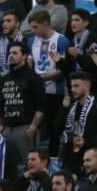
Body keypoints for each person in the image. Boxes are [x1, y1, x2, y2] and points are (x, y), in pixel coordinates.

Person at [25, 10, 68, 150]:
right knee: (38, 125)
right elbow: (29, 65)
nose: (33, 30)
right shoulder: (32, 41)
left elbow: (65, 68)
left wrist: (44, 77)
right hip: (37, 91)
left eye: (36, 27)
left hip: (55, 91)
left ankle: (54, 158)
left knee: (54, 126)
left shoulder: (61, 40)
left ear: (45, 24)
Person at [58, 71, 97, 174]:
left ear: (86, 86)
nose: (72, 89)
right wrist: (63, 109)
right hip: (69, 161)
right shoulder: (70, 109)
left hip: (89, 162)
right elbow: (58, 128)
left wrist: (85, 142)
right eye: (71, 86)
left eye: (76, 86)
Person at [0, 42, 44, 164]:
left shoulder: (33, 77)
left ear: (24, 56)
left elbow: (41, 105)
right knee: (6, 163)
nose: (11, 56)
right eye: (9, 53)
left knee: (29, 163)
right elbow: (1, 104)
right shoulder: (5, 78)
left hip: (25, 128)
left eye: (15, 53)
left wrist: (33, 126)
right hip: (7, 128)